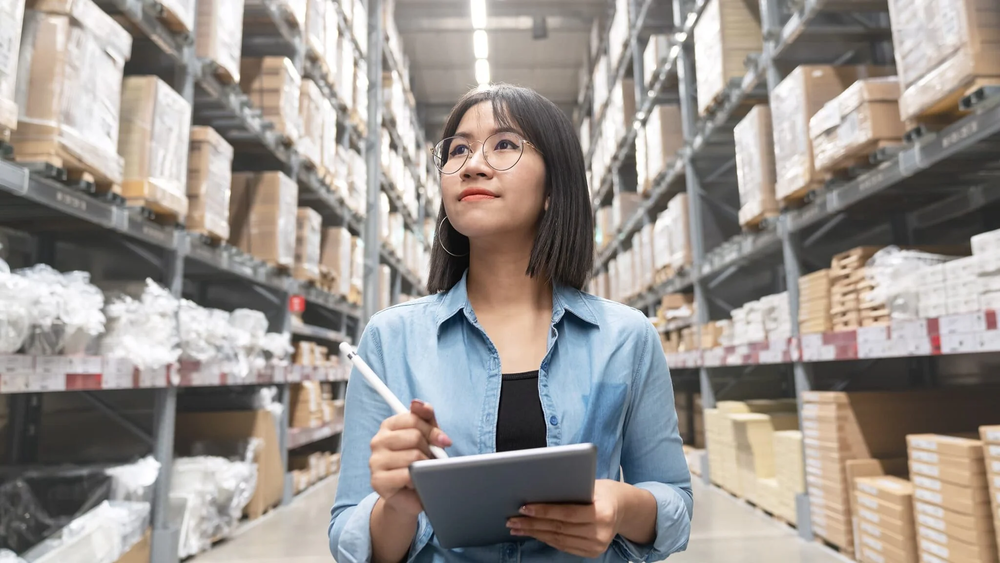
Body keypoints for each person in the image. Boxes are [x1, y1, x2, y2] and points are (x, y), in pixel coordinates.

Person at [329, 83, 692, 562]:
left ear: (553, 188)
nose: (472, 165)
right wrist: (396, 505)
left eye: (504, 144)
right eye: (458, 150)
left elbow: (675, 504)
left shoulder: (626, 338)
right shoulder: (390, 340)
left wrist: (623, 506)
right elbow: (348, 537)